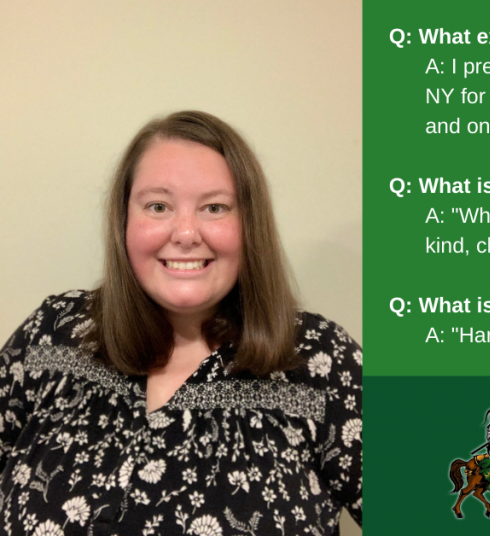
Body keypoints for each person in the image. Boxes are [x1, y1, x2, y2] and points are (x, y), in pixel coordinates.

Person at [0, 111, 361, 535]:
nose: (186, 233)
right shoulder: (53, 333)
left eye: (214, 207)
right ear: (124, 221)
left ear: (249, 225)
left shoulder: (320, 359)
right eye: (158, 206)